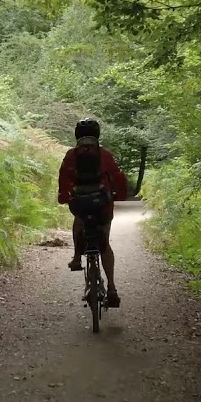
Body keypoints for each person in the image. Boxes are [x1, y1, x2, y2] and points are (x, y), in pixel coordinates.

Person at [57, 118, 129, 307]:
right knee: (104, 243)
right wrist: (120, 196)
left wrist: (64, 197)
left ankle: (75, 258)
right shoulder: (104, 155)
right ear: (97, 135)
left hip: (81, 205)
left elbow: (64, 178)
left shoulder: (71, 155)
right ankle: (112, 288)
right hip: (102, 206)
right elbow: (117, 176)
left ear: (77, 136)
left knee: (79, 222)